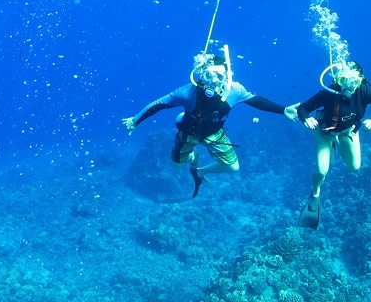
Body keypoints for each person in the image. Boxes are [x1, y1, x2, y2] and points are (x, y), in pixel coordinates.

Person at [123, 50, 297, 198]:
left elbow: (256, 101)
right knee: (176, 166)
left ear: (226, 77)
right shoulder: (187, 92)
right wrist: (135, 120)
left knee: (233, 167)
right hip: (188, 132)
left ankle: (200, 171)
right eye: (209, 75)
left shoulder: (235, 90)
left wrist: (283, 110)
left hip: (214, 134)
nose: (213, 81)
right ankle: (191, 155)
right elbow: (159, 104)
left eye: (219, 76)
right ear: (201, 74)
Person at [293, 60, 371, 228]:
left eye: (353, 81)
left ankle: (337, 143)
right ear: (339, 80)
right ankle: (315, 194)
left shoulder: (365, 91)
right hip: (325, 131)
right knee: (321, 170)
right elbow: (303, 108)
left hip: (348, 131)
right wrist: (306, 118)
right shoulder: (329, 93)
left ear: (360, 78)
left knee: (354, 167)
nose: (349, 86)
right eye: (344, 81)